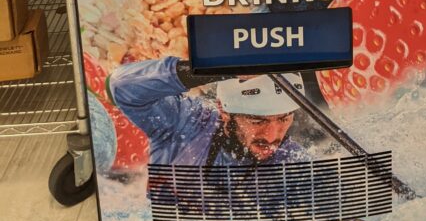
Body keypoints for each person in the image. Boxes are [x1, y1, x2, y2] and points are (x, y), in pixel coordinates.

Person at [109, 56, 305, 167]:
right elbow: (121, 86)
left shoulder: (293, 161)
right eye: (256, 121)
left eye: (283, 119)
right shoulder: (183, 123)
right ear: (223, 110)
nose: (271, 137)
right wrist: (208, 69)